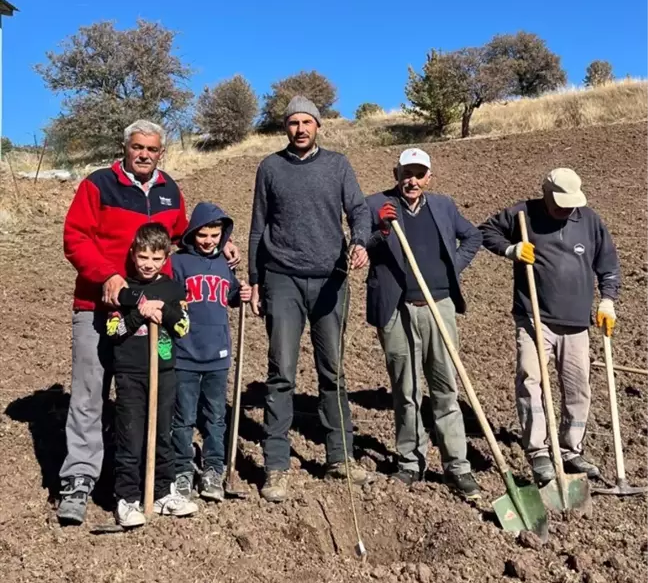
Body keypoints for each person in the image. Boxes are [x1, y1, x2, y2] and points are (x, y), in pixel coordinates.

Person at [58, 119, 240, 526]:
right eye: (137, 147)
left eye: (152, 149)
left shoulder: (169, 191)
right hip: (98, 305)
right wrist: (107, 275)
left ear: (161, 152)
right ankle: (79, 479)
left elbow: (183, 234)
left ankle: (145, 484)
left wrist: (220, 244)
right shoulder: (99, 185)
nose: (144, 154)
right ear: (125, 148)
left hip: (150, 317)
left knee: (146, 397)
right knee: (90, 394)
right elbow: (75, 237)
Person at [249, 96, 371, 503]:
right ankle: (276, 465)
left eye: (307, 122)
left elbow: (358, 211)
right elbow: (256, 228)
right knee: (281, 372)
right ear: (285, 127)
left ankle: (340, 457)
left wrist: (360, 242)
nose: (300, 129)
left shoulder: (337, 165)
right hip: (281, 279)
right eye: (293, 123)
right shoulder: (270, 167)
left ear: (318, 126)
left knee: (332, 372)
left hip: (330, 281)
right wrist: (254, 281)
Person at [480, 167, 621, 484]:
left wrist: (608, 300)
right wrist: (511, 249)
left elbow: (608, 265)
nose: (566, 209)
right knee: (531, 381)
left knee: (578, 388)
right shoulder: (522, 214)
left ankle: (571, 449)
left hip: (577, 322)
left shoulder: (589, 221)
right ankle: (539, 452)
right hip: (534, 317)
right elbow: (486, 231)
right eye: (560, 202)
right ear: (545, 193)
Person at [365, 148, 483, 497]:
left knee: (445, 388)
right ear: (396, 172)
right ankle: (410, 462)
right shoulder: (375, 205)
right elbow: (359, 246)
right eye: (406, 173)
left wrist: (452, 269)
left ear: (428, 177)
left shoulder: (443, 206)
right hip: (397, 308)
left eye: (419, 174)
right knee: (406, 389)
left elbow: (472, 236)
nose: (412, 180)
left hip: (439, 307)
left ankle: (457, 466)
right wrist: (381, 230)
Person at [105, 223, 196, 527]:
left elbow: (183, 327)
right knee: (130, 438)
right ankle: (127, 498)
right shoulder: (124, 290)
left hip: (165, 371)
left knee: (162, 436)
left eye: (156, 259)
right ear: (133, 254)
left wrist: (164, 311)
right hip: (131, 374)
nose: (148, 264)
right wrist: (139, 313)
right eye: (143, 256)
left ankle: (162, 492)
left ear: (165, 258)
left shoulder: (171, 288)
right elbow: (114, 331)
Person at [171, 202, 252, 502]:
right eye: (203, 234)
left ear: (223, 235)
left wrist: (240, 293)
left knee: (216, 416)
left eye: (215, 235)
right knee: (183, 417)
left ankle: (213, 469)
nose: (208, 241)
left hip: (218, 355)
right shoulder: (178, 264)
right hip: (185, 354)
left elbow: (230, 295)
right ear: (193, 233)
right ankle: (181, 469)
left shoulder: (223, 265)